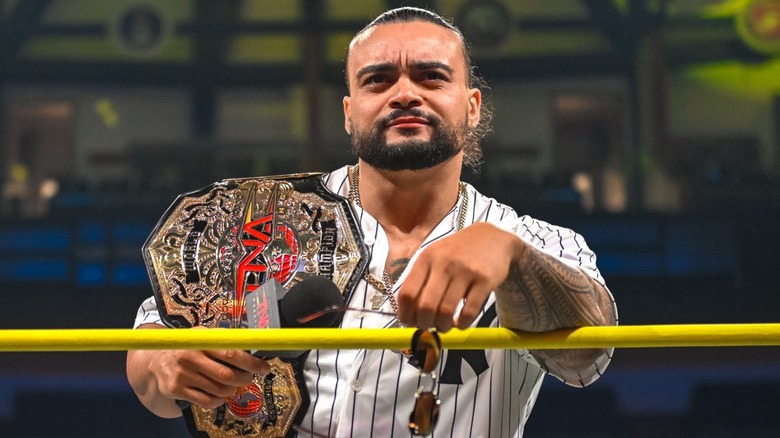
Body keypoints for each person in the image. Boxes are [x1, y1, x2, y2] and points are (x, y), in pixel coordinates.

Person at [127, 6, 618, 437]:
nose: (404, 94)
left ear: (471, 107)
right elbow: (150, 356)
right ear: (349, 111)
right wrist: (165, 367)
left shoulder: (533, 241)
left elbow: (587, 359)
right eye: (378, 79)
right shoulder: (262, 217)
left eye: (431, 77)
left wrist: (510, 257)